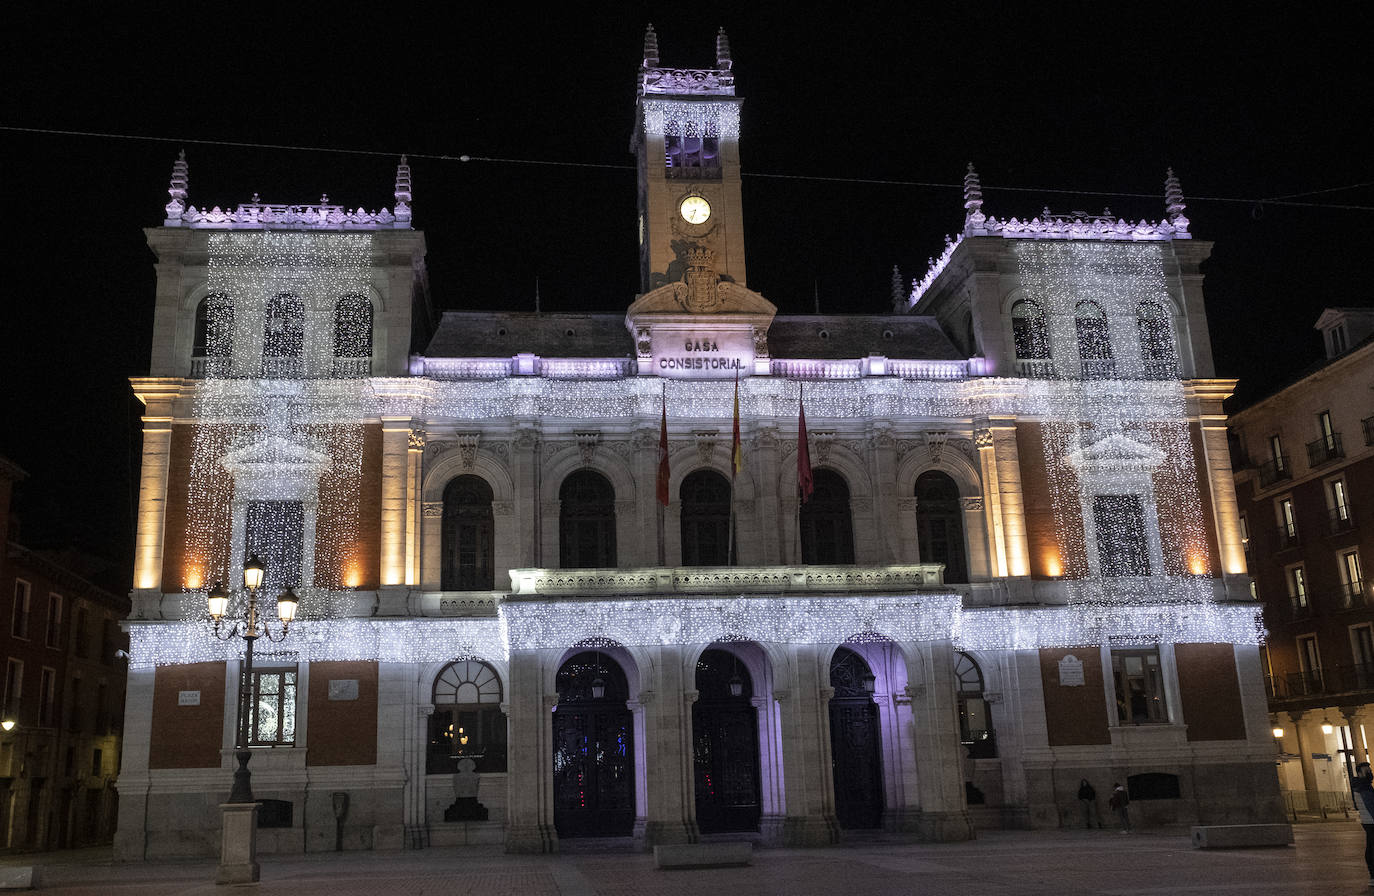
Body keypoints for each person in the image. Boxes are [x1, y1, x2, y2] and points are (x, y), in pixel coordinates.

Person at [1352, 763, 1374, 886]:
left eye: (1370, 771)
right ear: (1360, 773)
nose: (1370, 773)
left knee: (1370, 847)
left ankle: (1372, 875)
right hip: (1371, 821)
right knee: (1371, 848)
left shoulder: (1360, 786)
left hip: (1367, 821)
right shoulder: (1363, 787)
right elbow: (1371, 806)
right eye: (1367, 772)